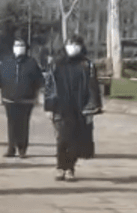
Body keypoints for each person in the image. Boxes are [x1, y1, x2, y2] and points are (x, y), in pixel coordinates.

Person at [43, 35, 102, 182]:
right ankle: (60, 166)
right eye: (70, 44)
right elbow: (49, 86)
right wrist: (49, 107)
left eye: (76, 44)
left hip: (80, 107)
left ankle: (70, 168)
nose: (73, 47)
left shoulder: (87, 65)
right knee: (62, 138)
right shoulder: (57, 64)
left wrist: (92, 107)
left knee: (75, 140)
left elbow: (93, 87)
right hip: (61, 107)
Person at [0, 37, 44, 158]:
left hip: (27, 100)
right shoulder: (6, 62)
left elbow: (38, 83)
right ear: (13, 47)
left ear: (25, 48)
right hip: (9, 99)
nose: (19, 47)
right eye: (17, 45)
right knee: (12, 124)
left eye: (21, 45)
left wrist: (37, 98)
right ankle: (11, 148)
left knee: (23, 124)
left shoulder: (31, 63)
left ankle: (22, 149)